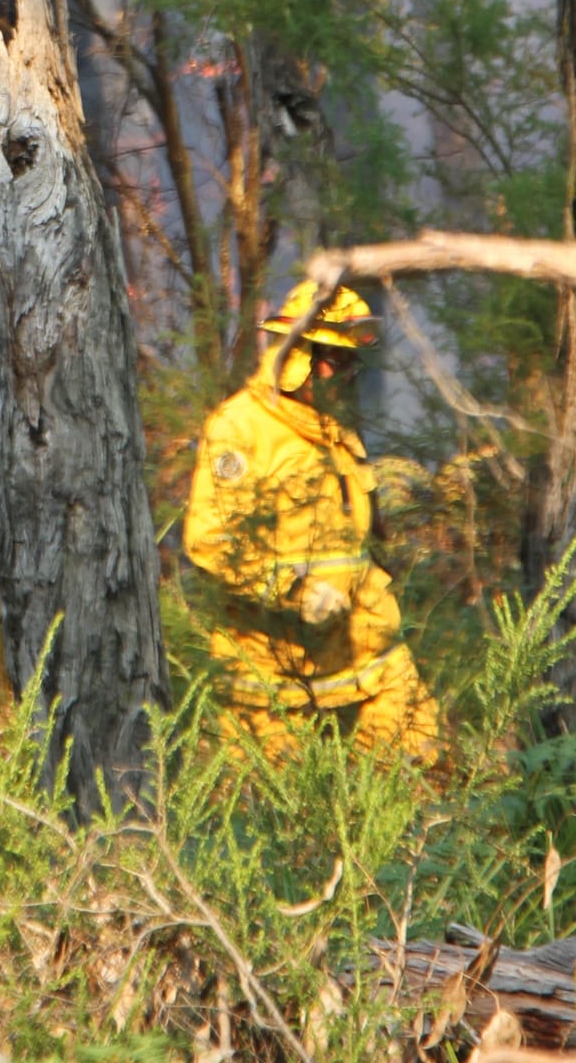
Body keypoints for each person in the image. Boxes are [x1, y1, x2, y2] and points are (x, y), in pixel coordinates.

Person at [183, 281, 441, 758]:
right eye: (336, 360)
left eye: (351, 363)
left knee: (422, 768)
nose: (346, 375)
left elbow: (353, 531)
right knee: (268, 820)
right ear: (297, 356)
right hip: (270, 682)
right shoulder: (240, 428)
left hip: (363, 660)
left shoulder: (332, 427)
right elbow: (211, 543)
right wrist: (296, 592)